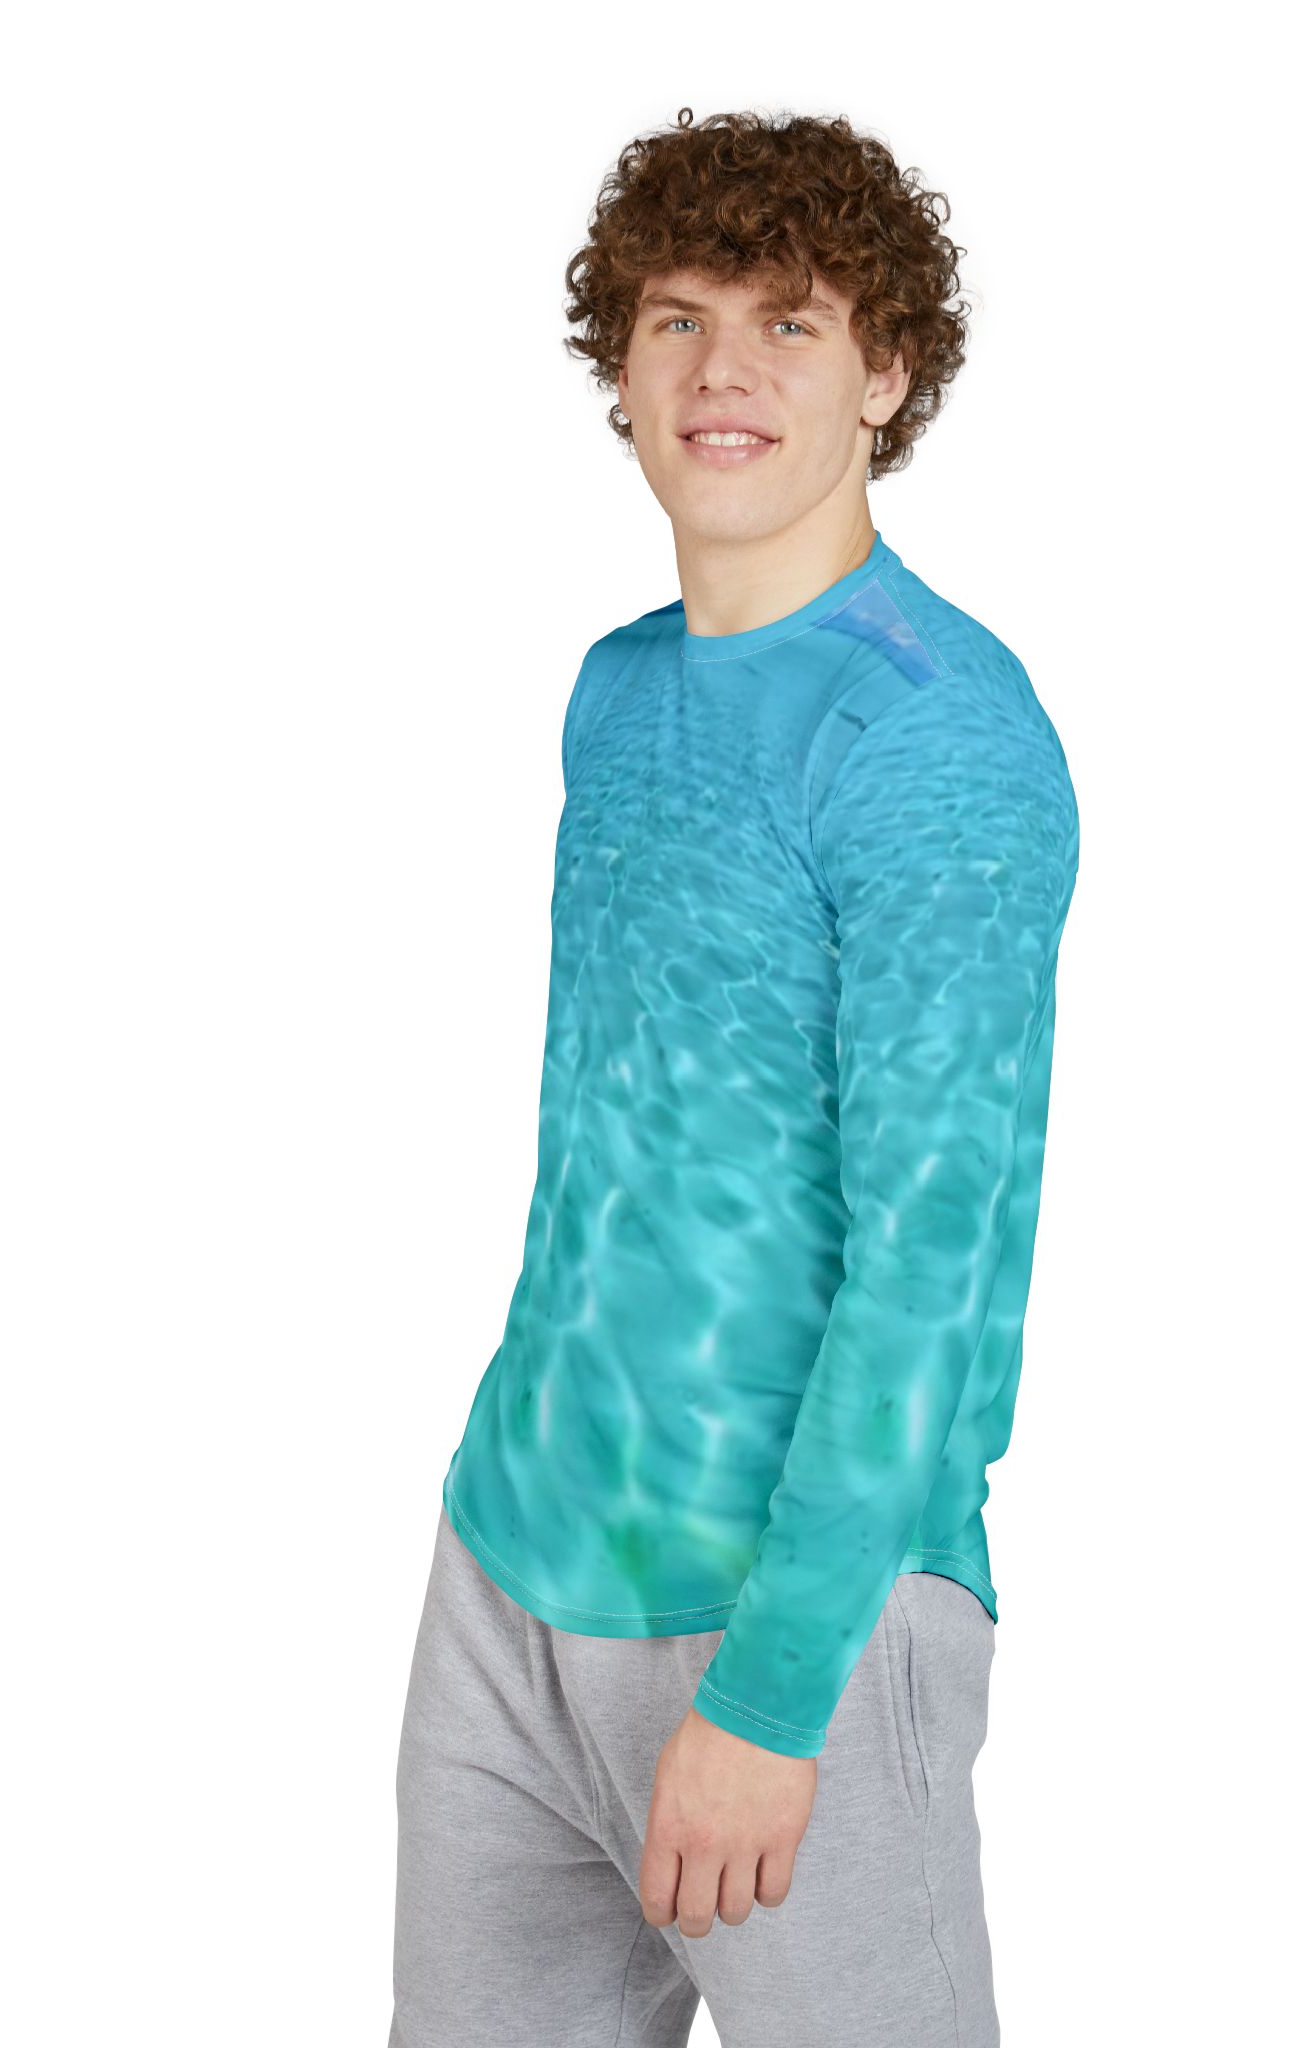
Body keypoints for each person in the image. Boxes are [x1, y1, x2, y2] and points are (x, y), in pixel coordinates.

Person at [389, 106, 1080, 2048]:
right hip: (513, 1573)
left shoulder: (937, 739)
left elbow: (935, 1263)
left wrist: (771, 1700)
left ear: (889, 372)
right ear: (617, 365)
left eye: (789, 323)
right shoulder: (617, 690)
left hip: (793, 1618)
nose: (723, 371)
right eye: (677, 318)